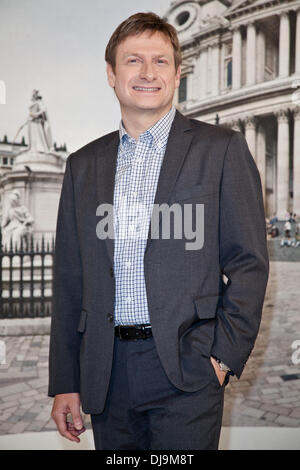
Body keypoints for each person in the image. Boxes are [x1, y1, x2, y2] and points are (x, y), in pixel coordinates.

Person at [48, 12, 269, 450]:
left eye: (161, 61)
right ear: (112, 74)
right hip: (105, 374)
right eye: (133, 61)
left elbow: (248, 264)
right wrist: (65, 381)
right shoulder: (82, 166)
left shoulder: (221, 149)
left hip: (187, 369)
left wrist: (221, 357)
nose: (148, 73)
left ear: (177, 72)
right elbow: (70, 280)